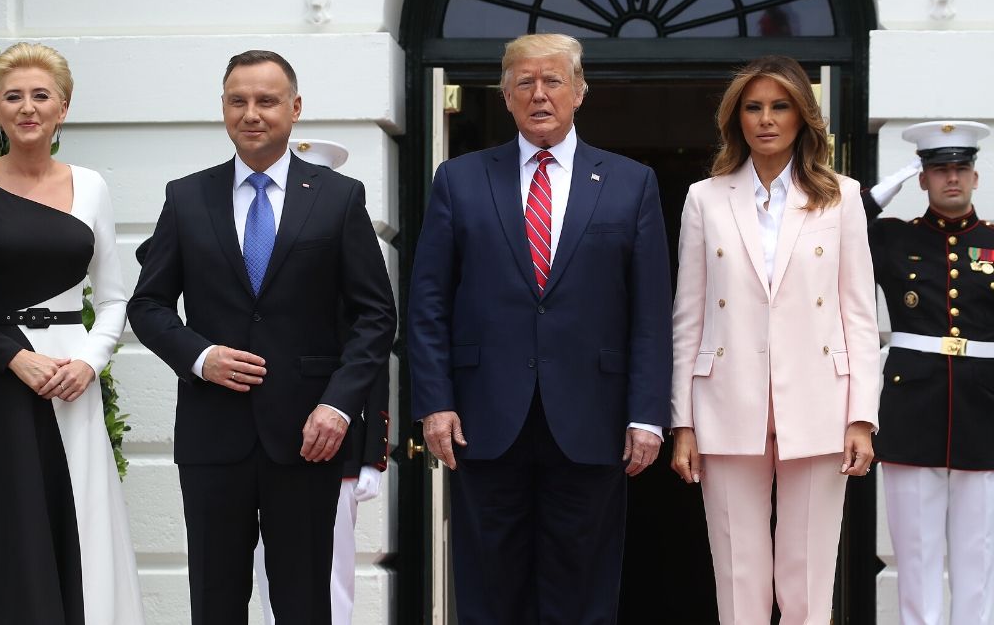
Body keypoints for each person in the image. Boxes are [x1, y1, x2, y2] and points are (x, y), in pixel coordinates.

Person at [408, 33, 672, 624]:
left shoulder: (632, 183)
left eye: (553, 80)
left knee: (582, 588)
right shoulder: (460, 179)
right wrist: (435, 403)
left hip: (593, 418)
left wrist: (646, 414)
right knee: (487, 587)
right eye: (524, 82)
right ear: (504, 96)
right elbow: (428, 302)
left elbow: (652, 312)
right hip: (483, 418)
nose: (539, 94)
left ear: (579, 91)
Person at [127, 51, 396, 625]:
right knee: (216, 601)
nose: (252, 114)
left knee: (303, 603)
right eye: (238, 101)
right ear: (223, 109)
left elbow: (376, 315)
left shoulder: (339, 197)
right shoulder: (186, 197)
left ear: (294, 108)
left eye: (266, 101)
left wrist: (340, 405)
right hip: (212, 434)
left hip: (308, 436)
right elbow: (147, 304)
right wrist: (198, 356)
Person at [0, 43, 144, 624]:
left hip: (72, 379)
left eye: (40, 96)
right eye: (12, 97)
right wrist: (13, 359)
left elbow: (115, 297)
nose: (27, 107)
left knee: (78, 518)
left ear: (62, 107)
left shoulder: (91, 186)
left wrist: (90, 362)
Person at [669, 55, 880, 625]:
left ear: (803, 117)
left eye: (780, 106)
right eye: (754, 107)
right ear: (736, 119)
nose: (766, 119)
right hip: (725, 400)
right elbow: (687, 314)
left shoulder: (843, 196)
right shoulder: (703, 198)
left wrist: (862, 415)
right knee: (737, 572)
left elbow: (859, 313)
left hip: (818, 400)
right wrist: (682, 421)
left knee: (809, 574)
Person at [251, 139, 392, 625]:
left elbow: (370, 359)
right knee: (269, 581)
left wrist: (370, 452)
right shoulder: (253, 256)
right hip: (256, 444)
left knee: (329, 587)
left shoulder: (345, 258)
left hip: (331, 448)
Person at [865, 120, 994, 625]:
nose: (952, 178)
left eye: (961, 168)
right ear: (922, 179)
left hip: (983, 408)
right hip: (912, 407)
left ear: (976, 176)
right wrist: (883, 188)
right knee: (915, 555)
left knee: (977, 555)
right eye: (939, 169)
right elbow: (832, 224)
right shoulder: (892, 238)